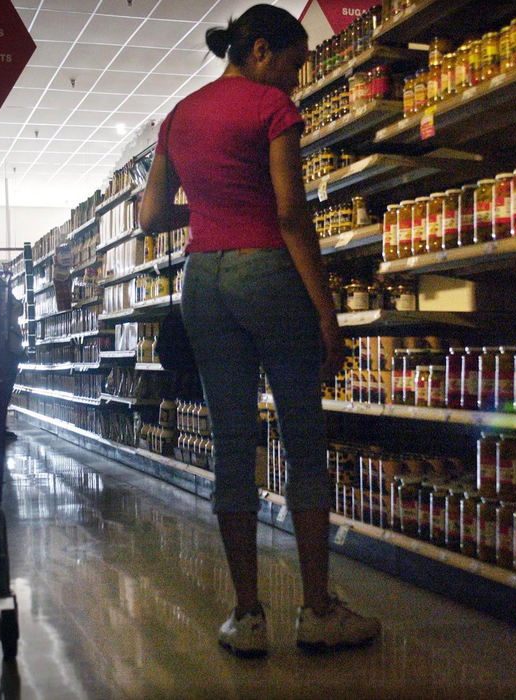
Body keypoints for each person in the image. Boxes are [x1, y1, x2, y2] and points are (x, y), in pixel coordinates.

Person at [139, 4, 381, 657]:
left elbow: (152, 214)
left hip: (203, 285)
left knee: (230, 443)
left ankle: (246, 616)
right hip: (266, 271)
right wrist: (326, 314)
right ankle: (317, 609)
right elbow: (290, 214)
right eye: (296, 64)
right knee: (303, 440)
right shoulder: (272, 110)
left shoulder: (177, 115)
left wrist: (214, 201)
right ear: (262, 49)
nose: (297, 81)